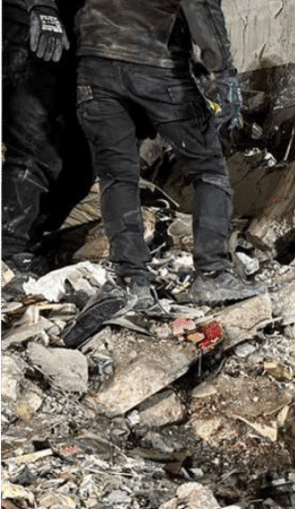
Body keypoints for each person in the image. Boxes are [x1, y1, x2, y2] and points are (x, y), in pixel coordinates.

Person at [62, 0, 259, 344]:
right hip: (156, 67)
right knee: (208, 169)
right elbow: (200, 7)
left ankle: (132, 281)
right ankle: (212, 273)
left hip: (94, 69)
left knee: (116, 176)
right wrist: (223, 71)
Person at [1, 0, 91, 294]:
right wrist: (41, 7)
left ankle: (26, 242)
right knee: (34, 148)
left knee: (80, 166)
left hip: (74, 36)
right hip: (34, 25)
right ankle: (8, 249)